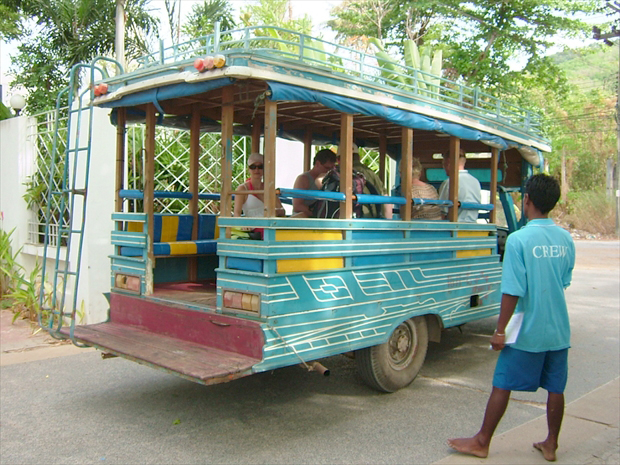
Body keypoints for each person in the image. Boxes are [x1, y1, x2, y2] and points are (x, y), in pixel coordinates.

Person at [447, 174, 576, 462]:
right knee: (556, 387)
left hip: (528, 329)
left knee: (502, 382)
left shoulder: (519, 240)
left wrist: (500, 330)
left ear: (526, 200)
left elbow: (513, 291)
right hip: (558, 329)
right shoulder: (566, 239)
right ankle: (551, 443)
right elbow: (564, 281)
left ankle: (482, 441)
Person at [344, 144, 392, 219]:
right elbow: (386, 199)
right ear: (358, 157)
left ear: (339, 159)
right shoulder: (371, 173)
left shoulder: (340, 173)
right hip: (371, 218)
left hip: (350, 218)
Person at [233, 153, 285, 218]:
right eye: (253, 167)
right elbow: (236, 214)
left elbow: (281, 210)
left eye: (260, 167)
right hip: (252, 227)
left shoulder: (269, 188)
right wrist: (244, 225)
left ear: (264, 169)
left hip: (270, 226)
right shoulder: (242, 189)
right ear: (248, 169)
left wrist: (276, 212)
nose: (256, 170)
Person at [438, 149, 481, 222]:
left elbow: (442, 210)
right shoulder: (475, 181)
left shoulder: (449, 182)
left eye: (443, 164)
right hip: (473, 225)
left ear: (448, 163)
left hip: (454, 226)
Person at [292, 148, 337, 217]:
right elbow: (297, 206)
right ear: (317, 164)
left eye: (332, 169)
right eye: (327, 168)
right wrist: (316, 213)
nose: (329, 172)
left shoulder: (331, 179)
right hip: (306, 218)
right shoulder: (303, 179)